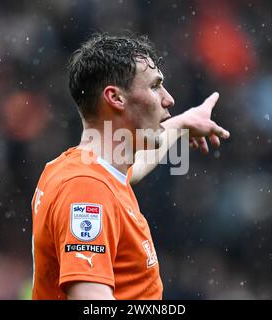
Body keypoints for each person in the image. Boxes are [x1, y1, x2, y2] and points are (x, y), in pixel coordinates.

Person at [31, 33, 230, 300]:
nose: (168, 99)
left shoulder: (76, 170)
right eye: (155, 86)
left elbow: (131, 170)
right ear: (115, 98)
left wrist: (182, 124)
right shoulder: (86, 189)